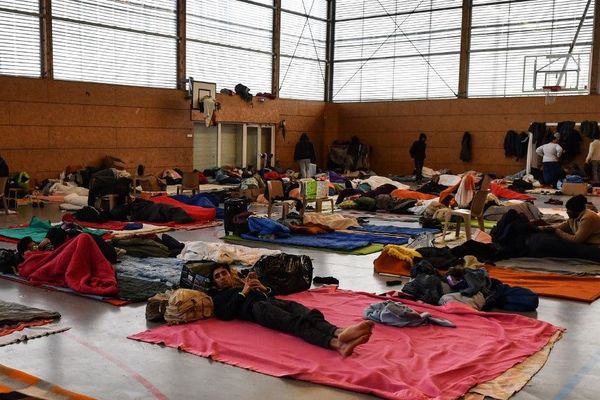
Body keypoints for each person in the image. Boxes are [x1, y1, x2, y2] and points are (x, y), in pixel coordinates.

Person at [210, 264, 374, 357]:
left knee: (308, 313)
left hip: (272, 301)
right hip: (258, 309)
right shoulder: (218, 296)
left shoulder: (240, 283)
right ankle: (336, 344)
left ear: (230, 274)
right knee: (295, 323)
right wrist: (244, 292)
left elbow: (271, 294)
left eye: (224, 273)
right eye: (217, 276)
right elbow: (226, 313)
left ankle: (338, 331)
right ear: (215, 283)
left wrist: (263, 288)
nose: (222, 277)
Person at [527, 195, 600, 262]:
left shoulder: (588, 218)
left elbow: (576, 240)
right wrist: (541, 228)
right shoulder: (575, 217)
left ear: (576, 210)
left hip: (594, 246)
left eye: (568, 210)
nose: (567, 212)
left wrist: (557, 231)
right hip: (584, 243)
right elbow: (562, 226)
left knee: (564, 248)